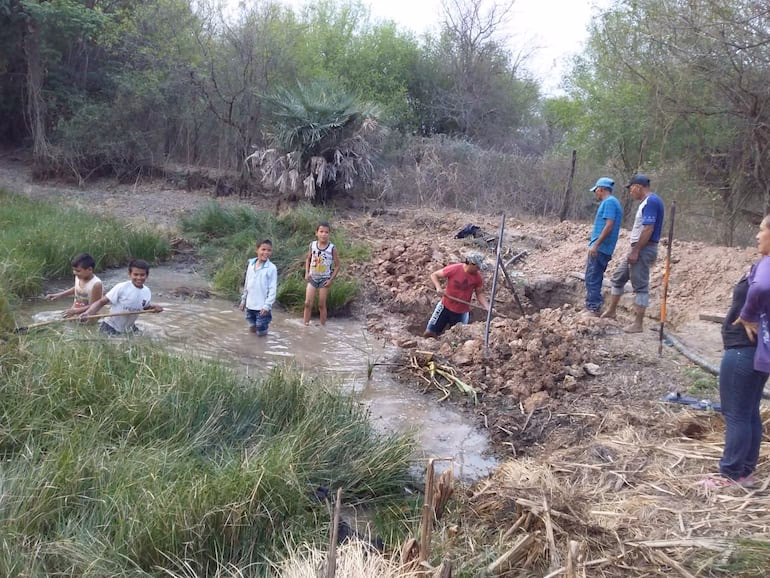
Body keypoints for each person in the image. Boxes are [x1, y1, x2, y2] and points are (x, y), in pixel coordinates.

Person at [699, 216, 770, 489]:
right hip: (756, 352)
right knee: (749, 411)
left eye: (762, 230)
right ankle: (744, 472)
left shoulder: (767, 264)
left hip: (743, 350)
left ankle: (728, 475)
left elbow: (762, 287)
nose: (757, 236)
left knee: (737, 413)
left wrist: (748, 313)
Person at [602, 174, 664, 332]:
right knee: (618, 278)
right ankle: (611, 311)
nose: (631, 192)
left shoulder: (651, 202)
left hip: (643, 249)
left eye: (631, 189)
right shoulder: (648, 202)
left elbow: (648, 228)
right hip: (638, 248)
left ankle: (638, 324)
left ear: (638, 186)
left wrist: (636, 251)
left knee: (641, 286)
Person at [80, 259, 163, 335]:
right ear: (129, 274)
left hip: (128, 328)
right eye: (136, 274)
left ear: (147, 275)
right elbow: (102, 302)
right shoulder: (122, 287)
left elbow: (144, 307)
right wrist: (88, 313)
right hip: (110, 326)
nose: (139, 278)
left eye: (142, 275)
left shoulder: (147, 291)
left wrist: (154, 308)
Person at [424, 252, 490, 338]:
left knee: (458, 339)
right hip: (445, 307)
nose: (478, 269)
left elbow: (479, 293)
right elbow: (434, 275)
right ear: (471, 264)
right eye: (477, 267)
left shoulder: (477, 277)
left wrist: (487, 307)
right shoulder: (454, 269)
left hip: (461, 312)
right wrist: (438, 288)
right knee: (429, 334)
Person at [584, 177, 623, 316]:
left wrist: (596, 245)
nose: (596, 194)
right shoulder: (612, 202)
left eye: (596, 191)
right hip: (602, 248)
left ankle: (593, 308)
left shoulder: (609, 202)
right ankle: (593, 306)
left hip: (600, 249)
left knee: (592, 277)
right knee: (594, 276)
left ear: (601, 189)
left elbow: (609, 225)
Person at [45, 253, 103, 318]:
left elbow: (94, 306)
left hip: (88, 317)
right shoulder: (79, 277)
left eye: (78, 271)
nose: (75, 273)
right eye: (74, 270)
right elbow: (77, 289)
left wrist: (75, 311)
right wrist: (59, 295)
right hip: (75, 313)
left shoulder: (96, 284)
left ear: (90, 269)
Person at [303, 222, 340, 326]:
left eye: (326, 232)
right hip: (312, 278)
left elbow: (337, 265)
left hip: (324, 279)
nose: (323, 234)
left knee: (321, 304)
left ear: (329, 234)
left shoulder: (332, 248)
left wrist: (330, 280)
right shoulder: (312, 245)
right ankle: (305, 325)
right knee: (307, 303)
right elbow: (308, 259)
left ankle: (322, 327)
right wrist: (306, 273)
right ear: (316, 233)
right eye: (321, 232)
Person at [240, 239, 277, 336]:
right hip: (250, 305)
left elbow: (273, 289)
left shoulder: (271, 268)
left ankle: (261, 348)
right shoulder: (251, 264)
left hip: (262, 308)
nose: (266, 252)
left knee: (261, 332)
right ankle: (252, 348)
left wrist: (267, 306)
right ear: (257, 250)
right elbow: (247, 283)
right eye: (263, 249)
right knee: (252, 328)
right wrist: (243, 300)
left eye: (269, 250)